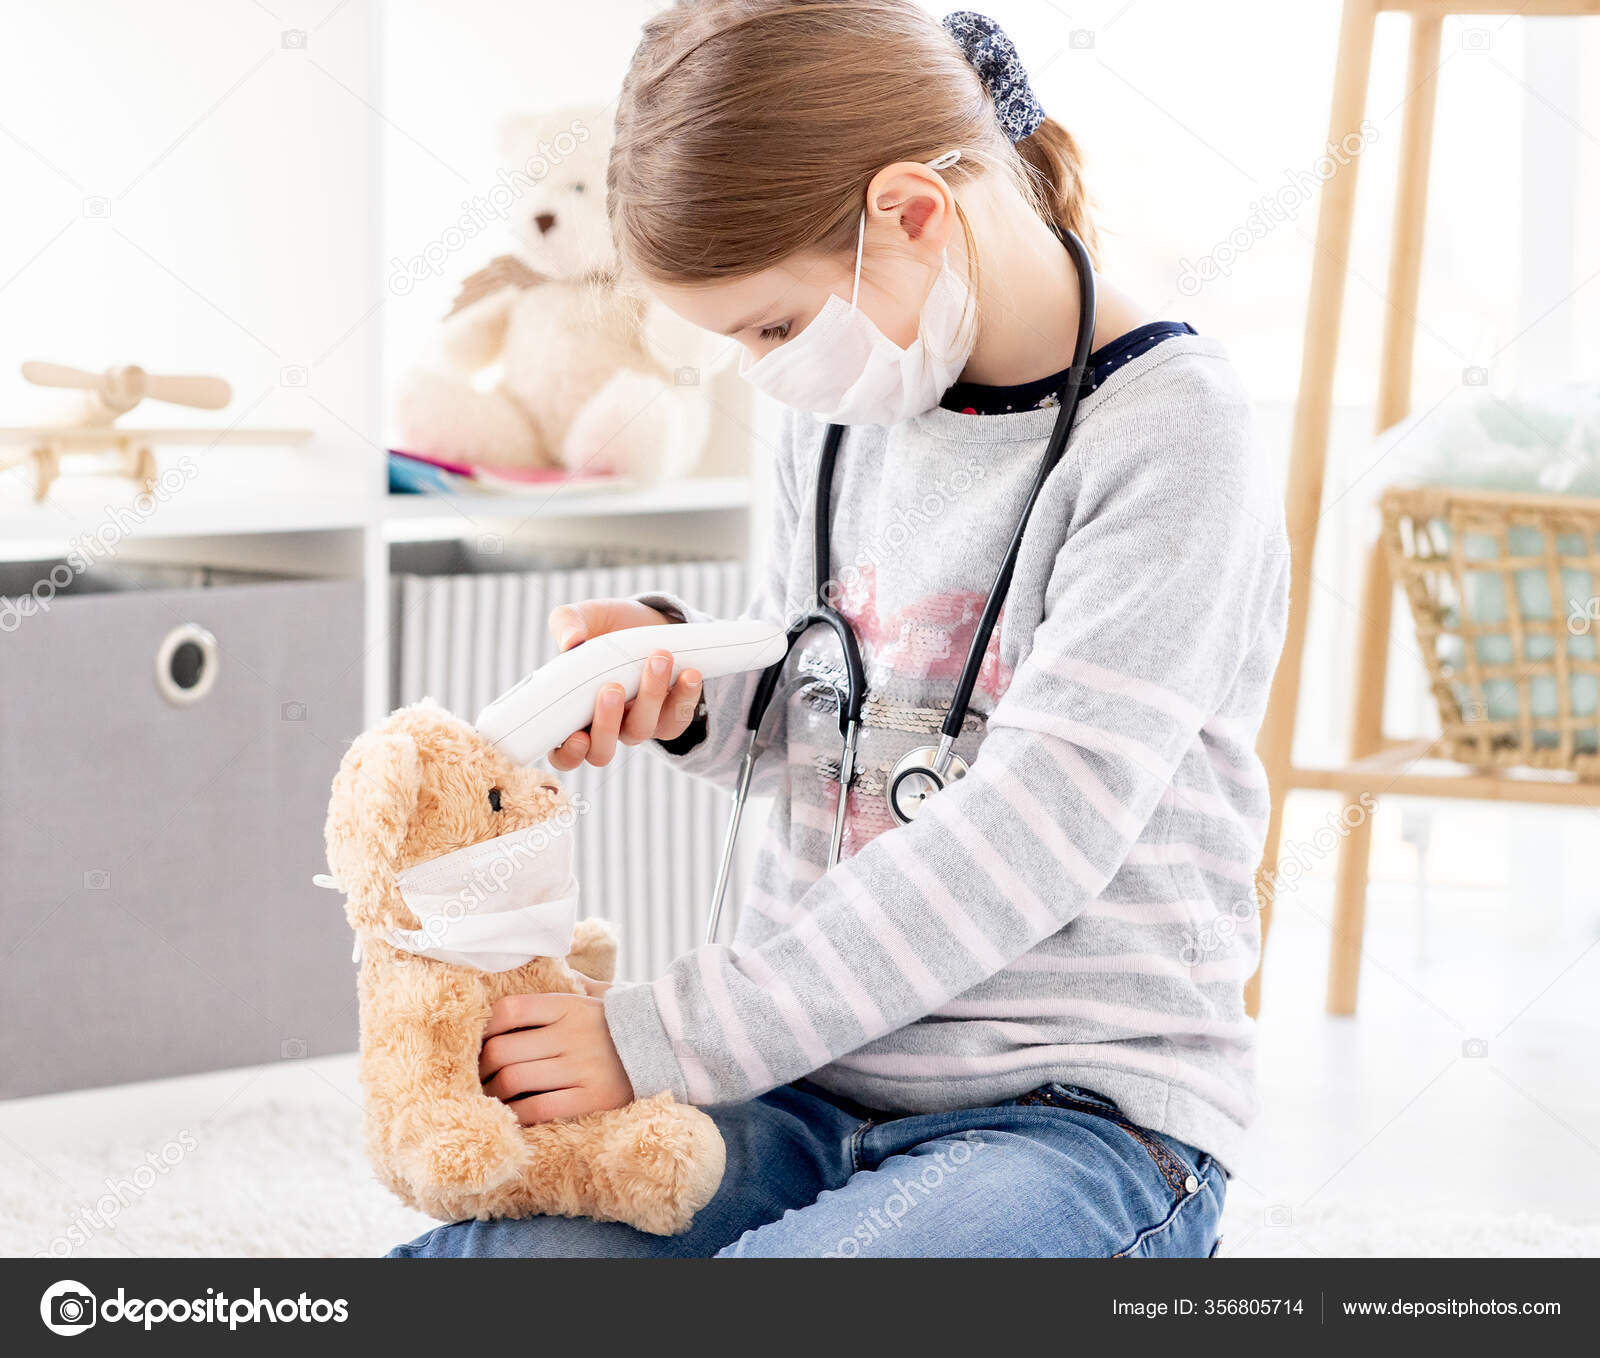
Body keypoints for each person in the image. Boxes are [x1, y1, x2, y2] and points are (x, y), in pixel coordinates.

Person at [393, 0, 1286, 1259]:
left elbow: (1031, 834)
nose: (763, 367)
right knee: (504, 1261)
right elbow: (828, 698)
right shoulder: (850, 377)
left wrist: (660, 1034)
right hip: (808, 1077)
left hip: (1068, 1117)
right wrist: (690, 676)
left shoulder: (1172, 435)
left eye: (766, 325)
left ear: (912, 212)